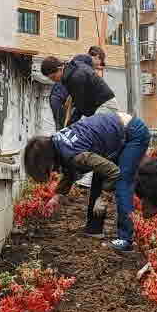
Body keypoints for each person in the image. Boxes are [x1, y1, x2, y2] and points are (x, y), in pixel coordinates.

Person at [23, 110, 150, 251]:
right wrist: (57, 196)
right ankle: (94, 229)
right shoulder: (57, 143)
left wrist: (104, 197)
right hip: (116, 134)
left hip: (133, 133)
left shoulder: (76, 156)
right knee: (99, 175)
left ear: (46, 160)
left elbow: (114, 172)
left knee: (122, 183)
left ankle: (125, 240)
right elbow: (69, 170)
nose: (51, 171)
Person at [41, 47, 119, 234]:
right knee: (80, 149)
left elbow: (82, 107)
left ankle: (97, 221)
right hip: (102, 107)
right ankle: (93, 219)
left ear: (58, 70)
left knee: (92, 152)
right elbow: (86, 59)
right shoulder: (74, 67)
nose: (55, 81)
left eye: (53, 78)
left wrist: (70, 127)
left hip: (105, 108)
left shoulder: (74, 78)